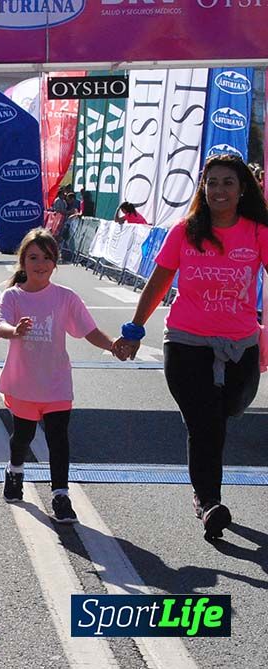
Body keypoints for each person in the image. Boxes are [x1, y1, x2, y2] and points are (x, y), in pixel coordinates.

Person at [114, 155, 268, 541]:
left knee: (229, 409)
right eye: (212, 182)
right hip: (186, 341)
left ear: (242, 188)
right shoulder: (185, 232)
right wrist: (134, 329)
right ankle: (208, 501)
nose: (219, 190)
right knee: (204, 423)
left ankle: (205, 485)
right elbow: (160, 281)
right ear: (203, 188)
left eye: (228, 183)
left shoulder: (258, 233)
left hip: (241, 343)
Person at [0, 228, 116, 524]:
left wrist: (113, 345)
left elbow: (89, 330)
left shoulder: (65, 298)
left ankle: (60, 494)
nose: (40, 264)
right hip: (24, 383)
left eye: (47, 258)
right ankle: (15, 470)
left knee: (58, 439)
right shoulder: (12, 296)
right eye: (33, 257)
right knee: (22, 436)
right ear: (22, 261)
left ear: (55, 263)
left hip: (57, 383)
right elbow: (0, 326)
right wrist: (15, 331)